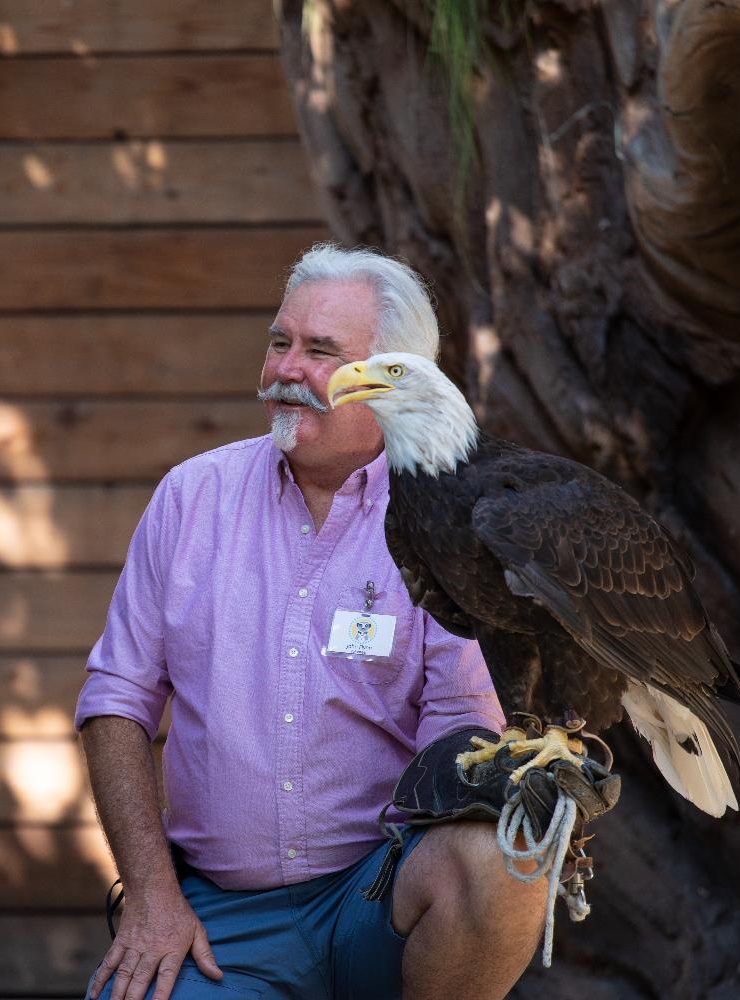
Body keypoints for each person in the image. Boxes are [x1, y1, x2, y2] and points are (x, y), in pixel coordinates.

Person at [75, 243, 549, 1000]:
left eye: (322, 351)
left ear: (393, 380)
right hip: (219, 919)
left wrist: (518, 788)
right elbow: (115, 702)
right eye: (279, 342)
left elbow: (463, 722)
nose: (286, 369)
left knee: (502, 859)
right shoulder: (191, 497)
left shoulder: (448, 517)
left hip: (378, 896)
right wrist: (154, 899)